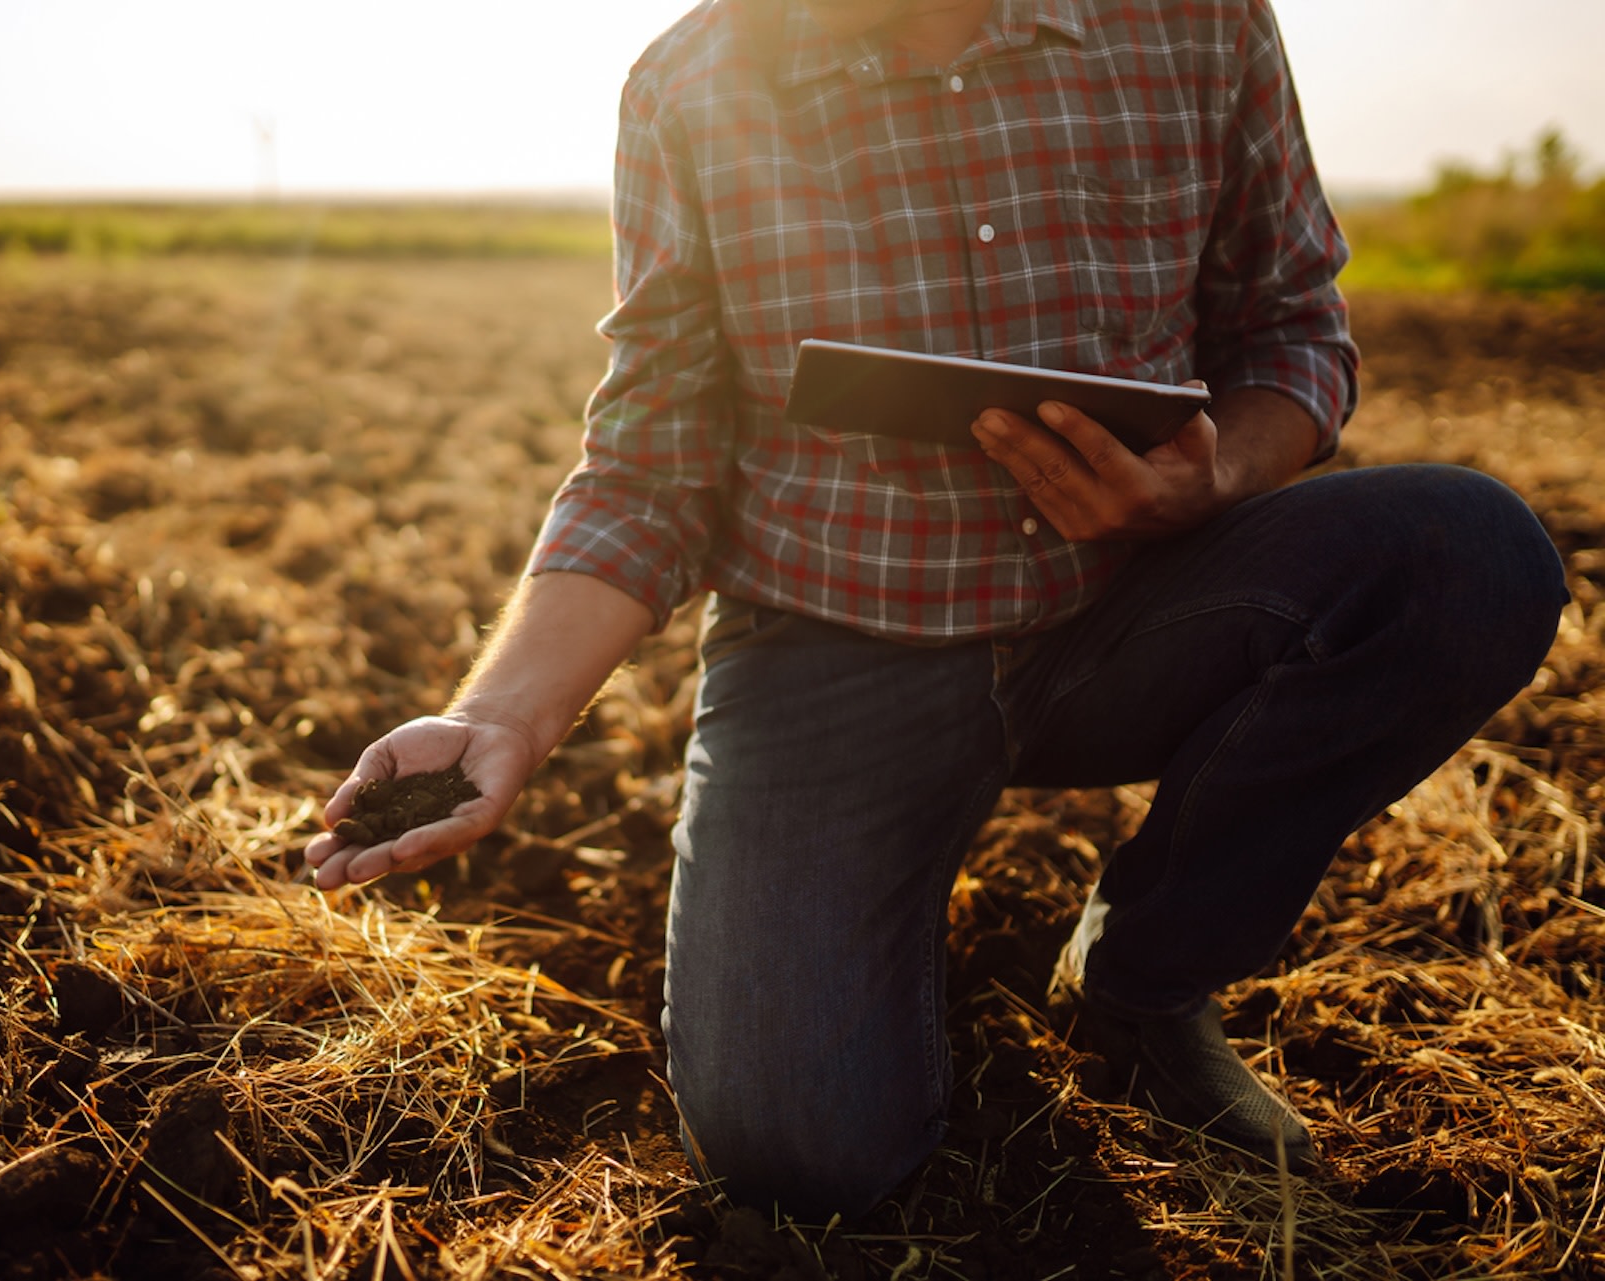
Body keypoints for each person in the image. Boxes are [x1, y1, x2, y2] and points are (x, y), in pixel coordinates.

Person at [306, 0, 1566, 1221]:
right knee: (801, 1155)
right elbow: (652, 463)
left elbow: (1293, 329)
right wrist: (502, 718)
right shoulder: (694, 80)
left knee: (1468, 553)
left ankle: (1141, 979)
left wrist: (1215, 476)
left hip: (1136, 609)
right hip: (832, 640)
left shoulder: (1194, 16)